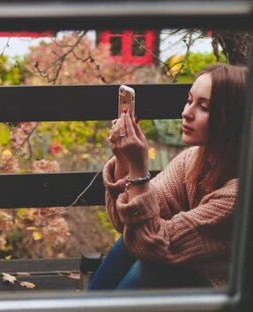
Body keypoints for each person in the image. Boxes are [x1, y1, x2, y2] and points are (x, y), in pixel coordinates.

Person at [88, 63, 248, 290]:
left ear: (232, 119)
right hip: (187, 271)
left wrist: (139, 167)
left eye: (204, 107)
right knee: (128, 244)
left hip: (221, 290)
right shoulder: (192, 160)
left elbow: (151, 245)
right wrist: (124, 161)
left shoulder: (239, 195)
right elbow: (128, 226)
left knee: (151, 268)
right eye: (189, 100)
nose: (186, 113)